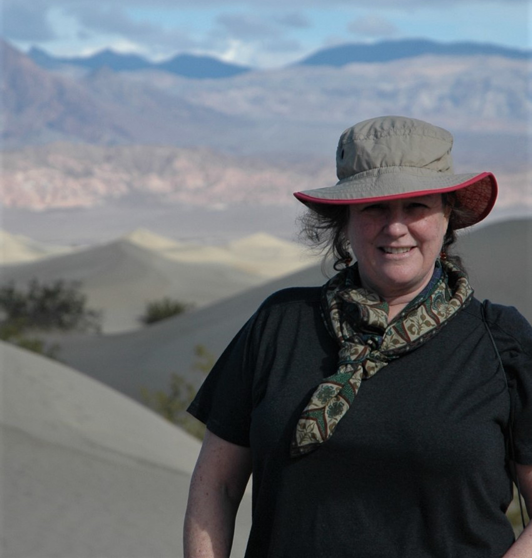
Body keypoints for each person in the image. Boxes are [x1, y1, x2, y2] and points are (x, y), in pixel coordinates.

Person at [184, 116, 532, 558]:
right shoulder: (280, 323)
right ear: (344, 220)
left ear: (448, 215)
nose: (395, 227)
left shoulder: (501, 342)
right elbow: (217, 483)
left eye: (417, 207)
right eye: (374, 208)